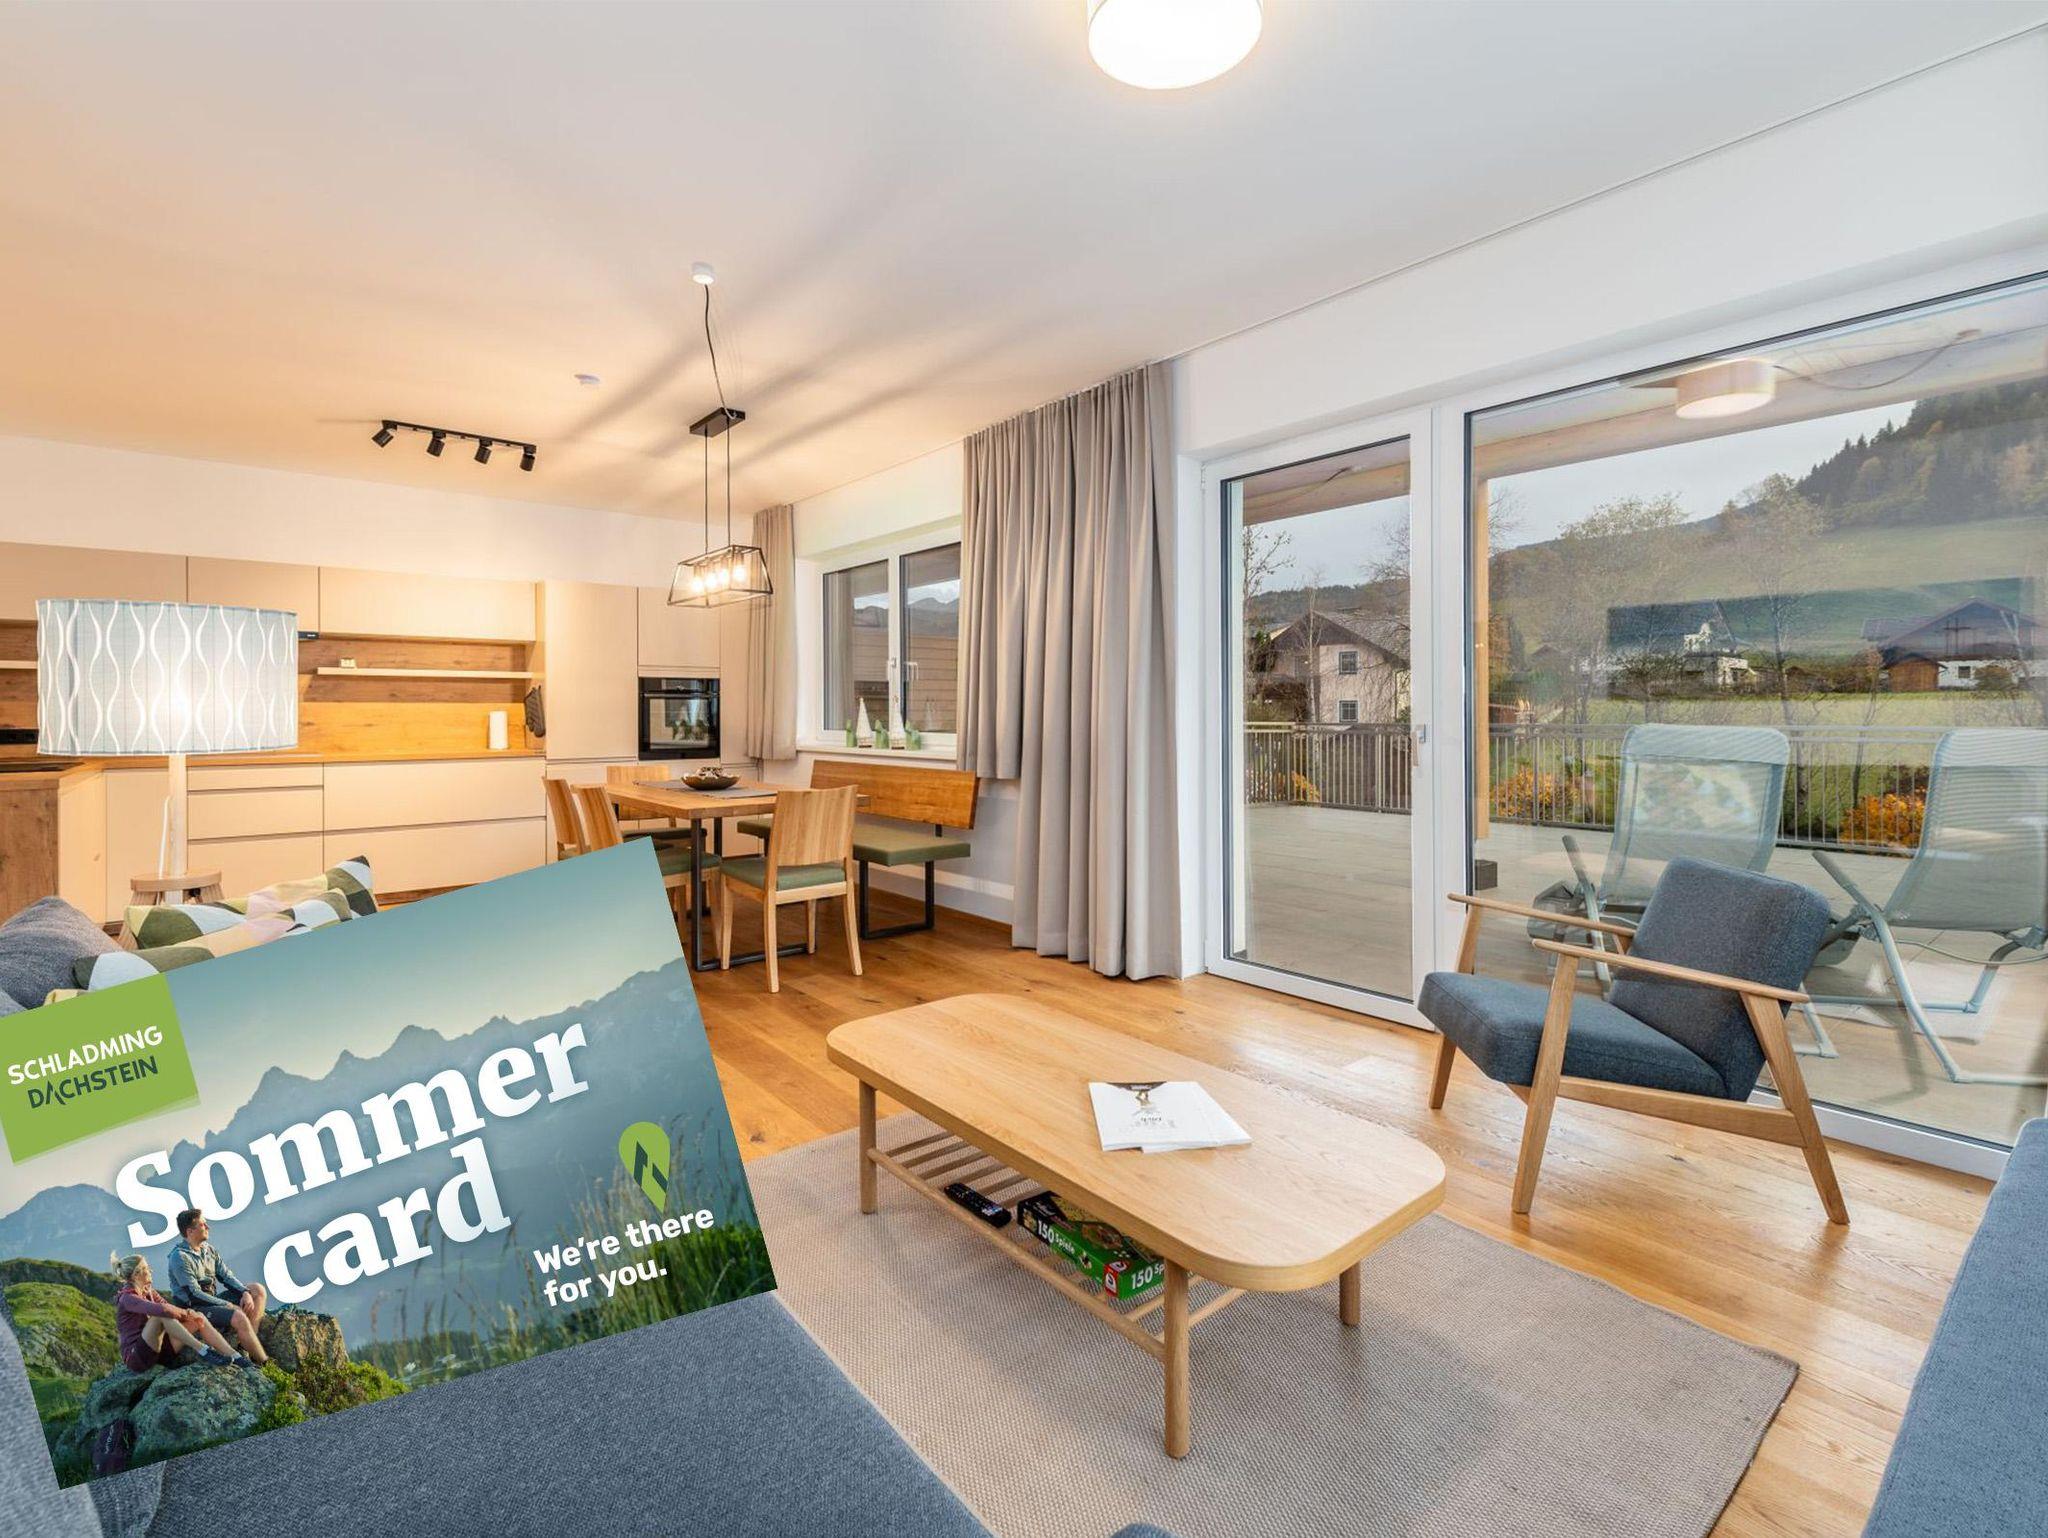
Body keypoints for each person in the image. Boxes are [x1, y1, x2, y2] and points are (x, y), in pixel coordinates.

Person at [111, 1253, 252, 1373]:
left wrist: (190, 1315)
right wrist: (186, 1312)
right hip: (138, 1357)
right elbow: (163, 1310)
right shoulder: (128, 1298)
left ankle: (236, 1357)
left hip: (160, 1352)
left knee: (198, 1318)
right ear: (136, 1274)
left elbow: (167, 1306)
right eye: (147, 1268)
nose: (151, 1270)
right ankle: (204, 1351)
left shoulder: (148, 1291)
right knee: (160, 1317)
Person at [164, 1209, 270, 1367]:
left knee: (257, 1290)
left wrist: (245, 1292)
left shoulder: (209, 1250)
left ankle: (247, 1344)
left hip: (212, 1300)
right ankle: (263, 1363)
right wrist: (227, 1305)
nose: (208, 1227)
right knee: (238, 1316)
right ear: (190, 1231)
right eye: (203, 1224)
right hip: (195, 1307)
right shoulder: (179, 1257)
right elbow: (194, 1294)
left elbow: (226, 1276)